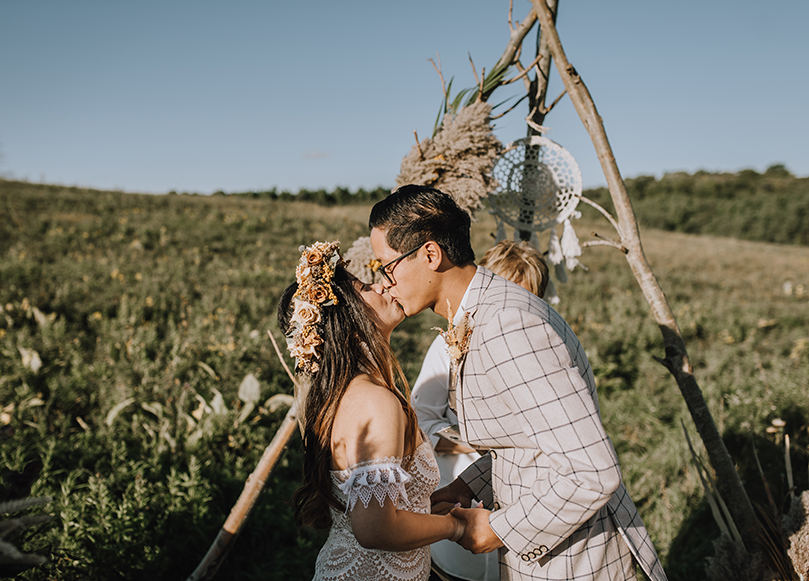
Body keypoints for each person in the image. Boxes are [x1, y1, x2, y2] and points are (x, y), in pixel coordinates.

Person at [368, 186, 667, 581]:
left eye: (387, 266)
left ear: (430, 254)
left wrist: (497, 528)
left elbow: (593, 472)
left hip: (574, 564)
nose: (384, 282)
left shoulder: (509, 325)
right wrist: (467, 485)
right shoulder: (484, 312)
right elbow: (530, 443)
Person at [277, 240, 466, 581]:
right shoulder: (374, 401)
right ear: (348, 318)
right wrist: (455, 528)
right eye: (365, 288)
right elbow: (374, 528)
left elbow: (377, 506)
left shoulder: (346, 394)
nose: (381, 284)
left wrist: (428, 504)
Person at [411, 240, 549, 581]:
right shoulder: (448, 346)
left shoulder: (543, 346)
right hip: (461, 481)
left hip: (525, 495)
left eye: (528, 298)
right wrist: (470, 442)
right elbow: (420, 419)